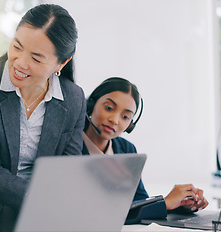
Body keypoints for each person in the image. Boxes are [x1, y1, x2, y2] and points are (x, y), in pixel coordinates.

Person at [0, 4, 86, 232]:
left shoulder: (74, 99)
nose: (19, 62)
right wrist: (41, 198)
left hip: (34, 218)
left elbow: (65, 169)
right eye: (17, 46)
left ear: (62, 63)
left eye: (37, 58)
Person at [82, 77, 209, 222]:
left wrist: (180, 204)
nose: (115, 120)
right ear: (91, 104)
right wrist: (165, 202)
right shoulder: (69, 145)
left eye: (125, 116)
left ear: (131, 124)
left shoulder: (126, 149)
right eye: (109, 108)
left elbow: (139, 202)